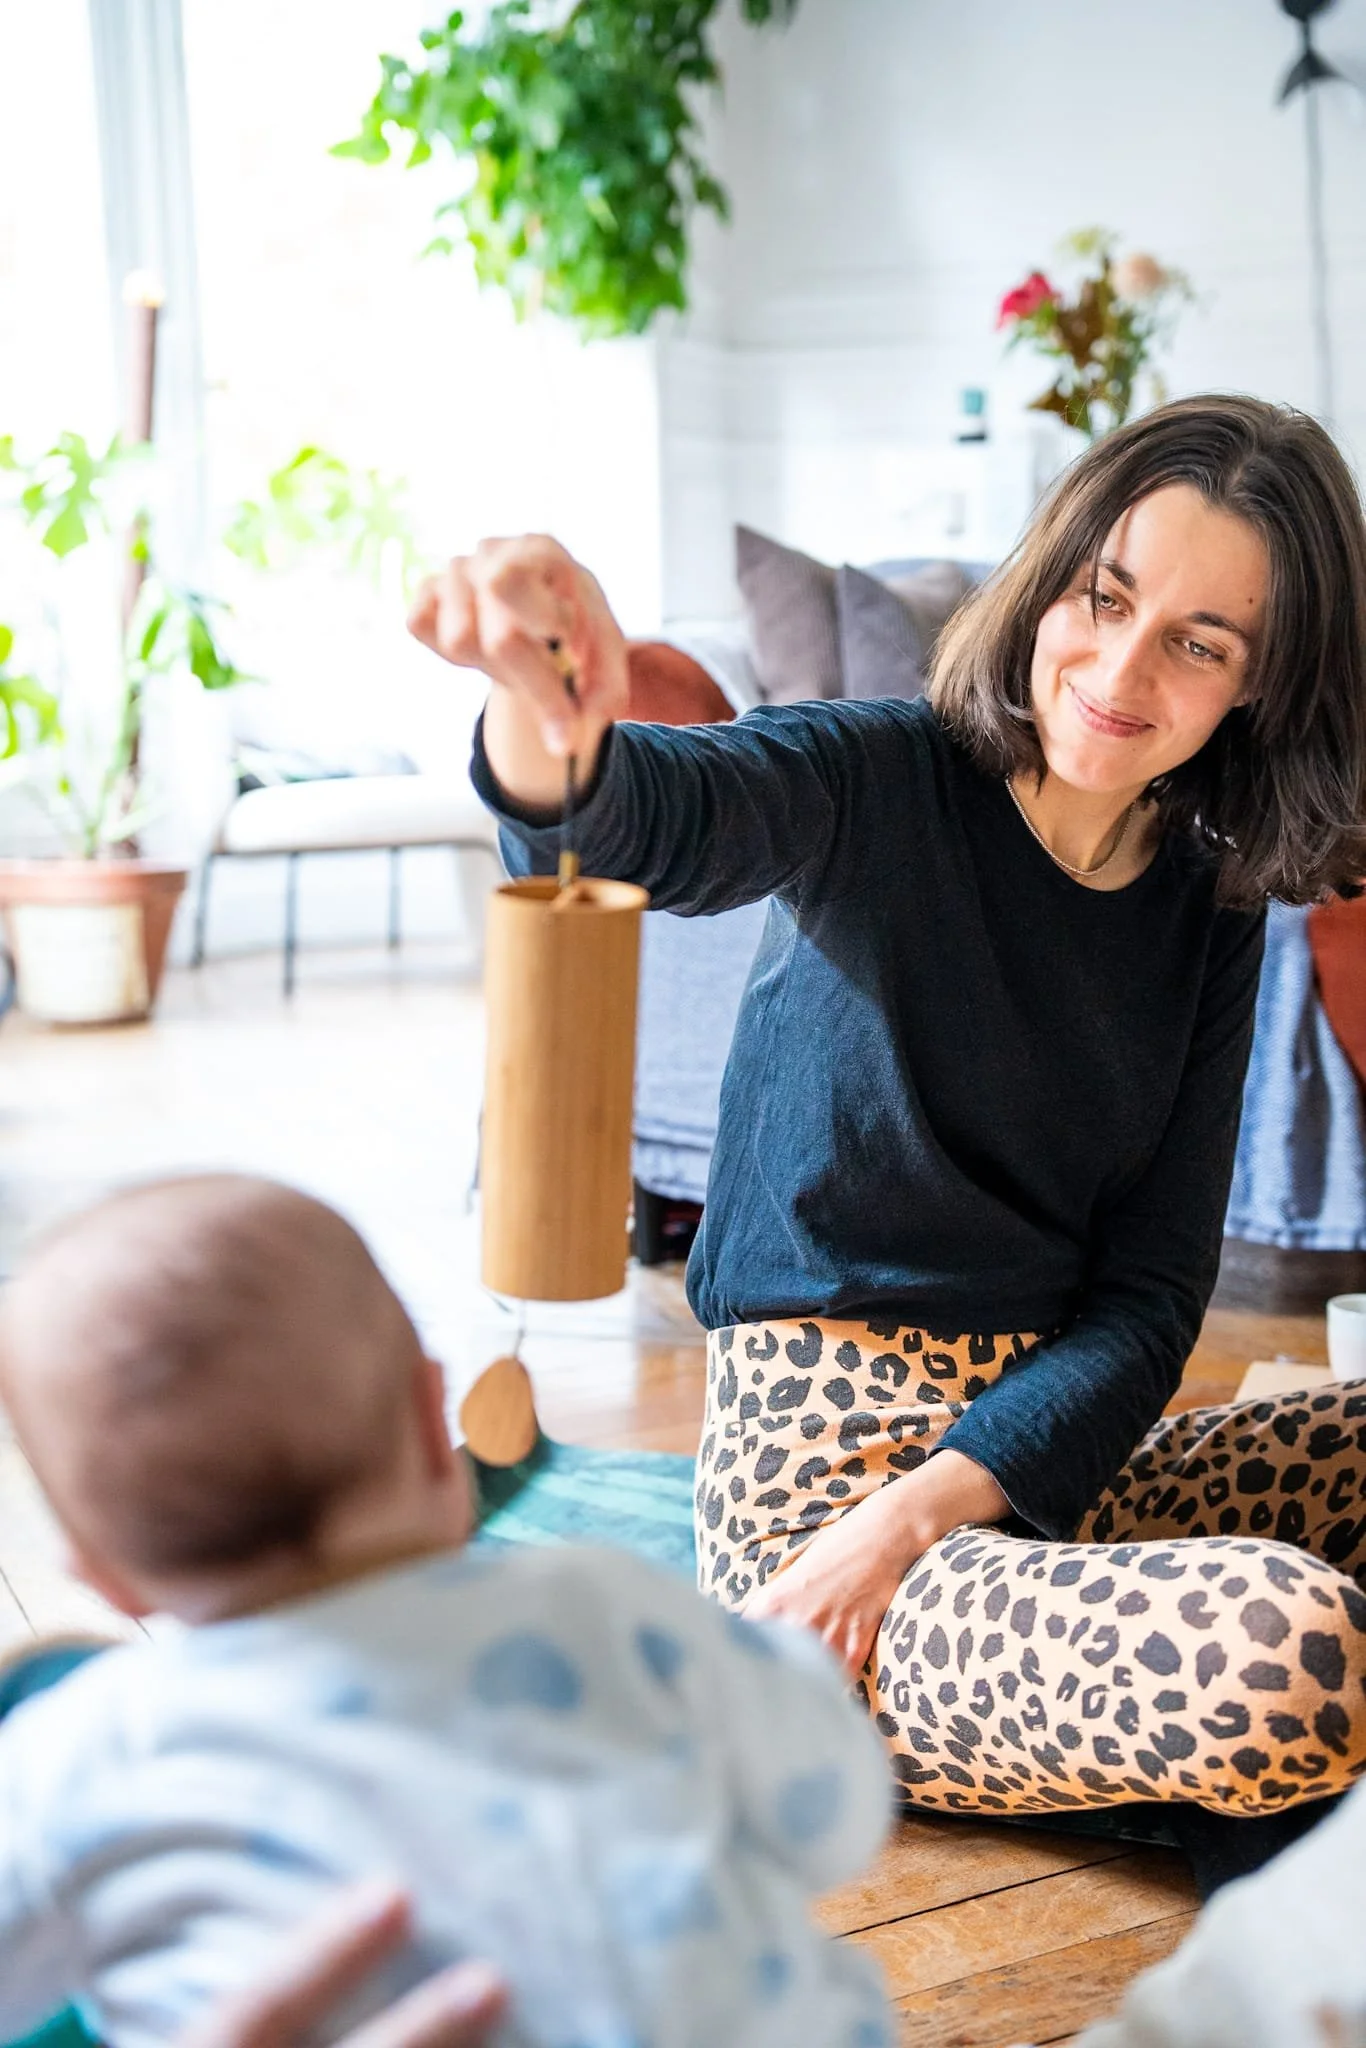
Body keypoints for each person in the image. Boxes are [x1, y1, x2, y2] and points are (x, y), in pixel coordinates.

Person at [412, 394, 1366, 1830]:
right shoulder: (879, 773)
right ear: (1049, 581)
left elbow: (1151, 1298)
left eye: (1196, 643)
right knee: (1292, 1657)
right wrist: (547, 695)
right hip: (822, 1512)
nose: (1117, 669)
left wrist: (934, 1508)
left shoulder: (1205, 891)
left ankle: (1070, 1629)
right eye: (1102, 598)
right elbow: (629, 818)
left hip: (1035, 1473)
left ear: (1259, 687)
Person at [0, 1174, 893, 2047]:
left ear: (100, 1576)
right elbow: (836, 1814)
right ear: (439, 1432)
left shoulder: (75, 1757)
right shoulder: (604, 1606)